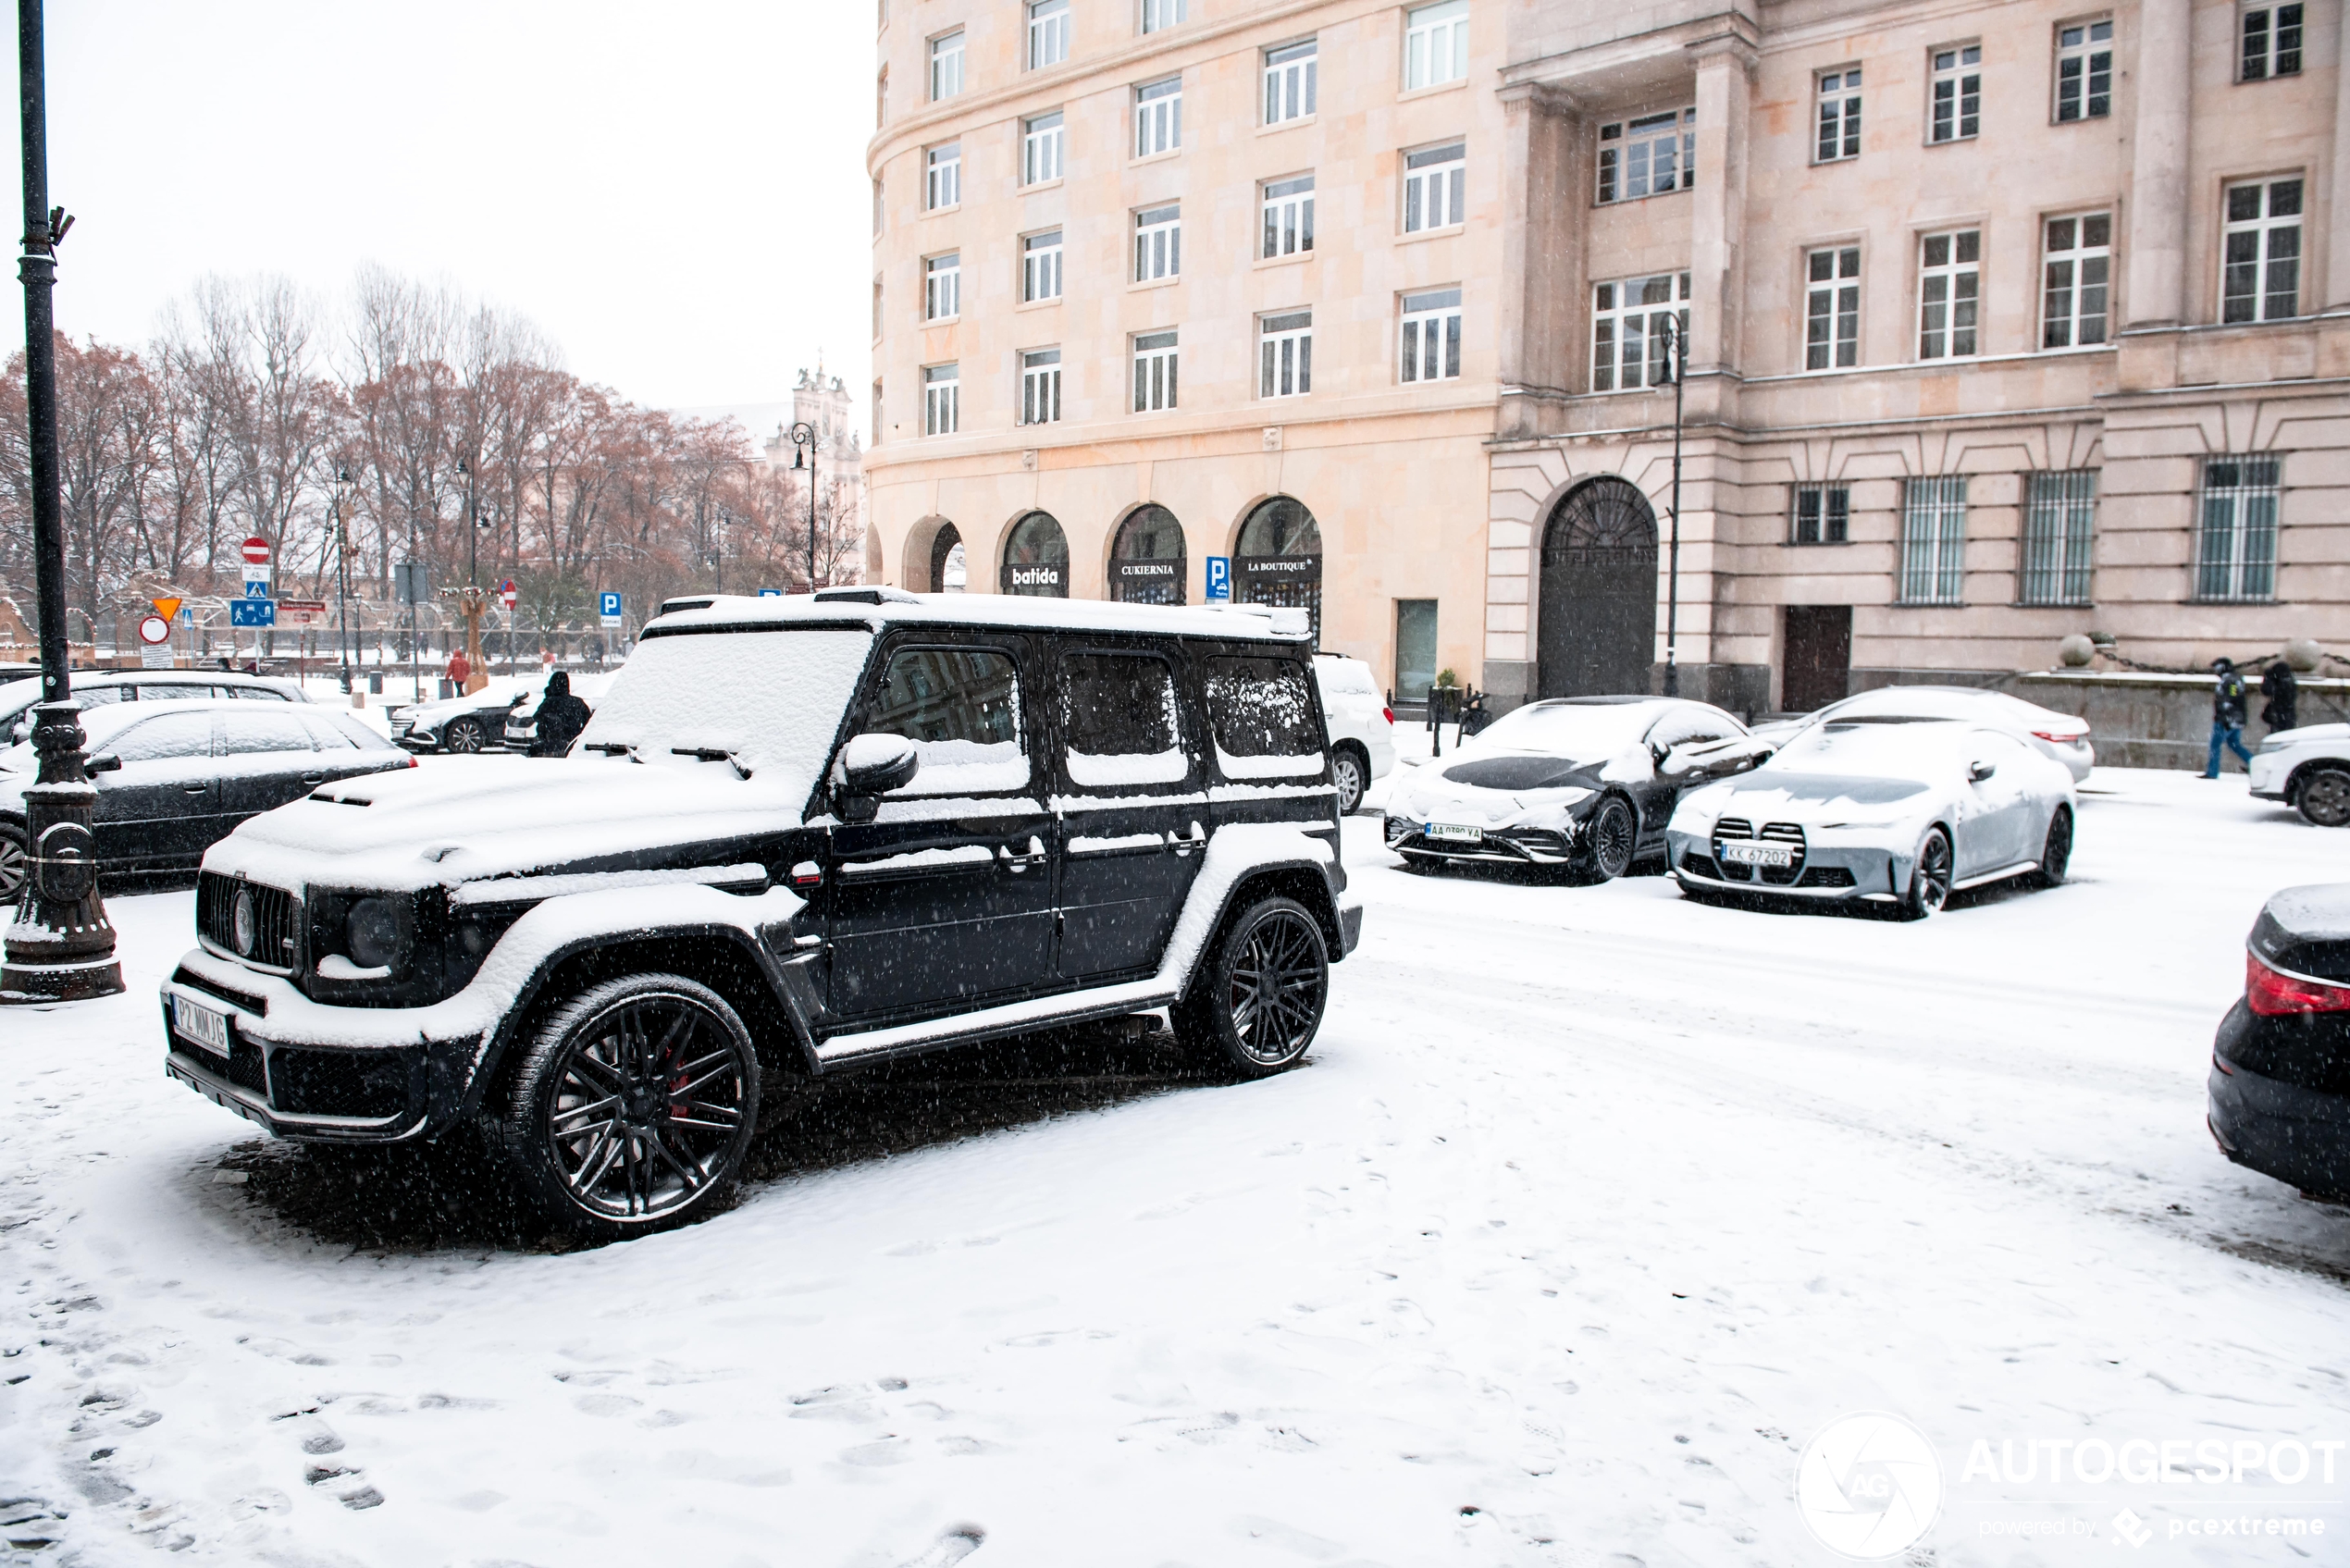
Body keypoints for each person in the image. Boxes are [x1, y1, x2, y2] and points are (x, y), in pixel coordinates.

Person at [2205, 657, 2253, 778]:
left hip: (2226, 719)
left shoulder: (2230, 680)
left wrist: (2227, 717)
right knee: (2234, 744)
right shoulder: (2234, 679)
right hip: (2233, 718)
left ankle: (2212, 772)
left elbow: (2232, 698)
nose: (2216, 671)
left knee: (2215, 745)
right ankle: (2254, 763)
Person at [529, 669, 590, 757]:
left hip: (550, 746)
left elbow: (537, 717)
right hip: (572, 745)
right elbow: (588, 721)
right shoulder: (577, 702)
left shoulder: (550, 702)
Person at [2261, 658, 2299, 737]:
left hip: (2281, 717)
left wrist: (2269, 678)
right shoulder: (2290, 680)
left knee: (2277, 741)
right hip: (2286, 717)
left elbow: (2267, 691)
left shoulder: (2284, 683)